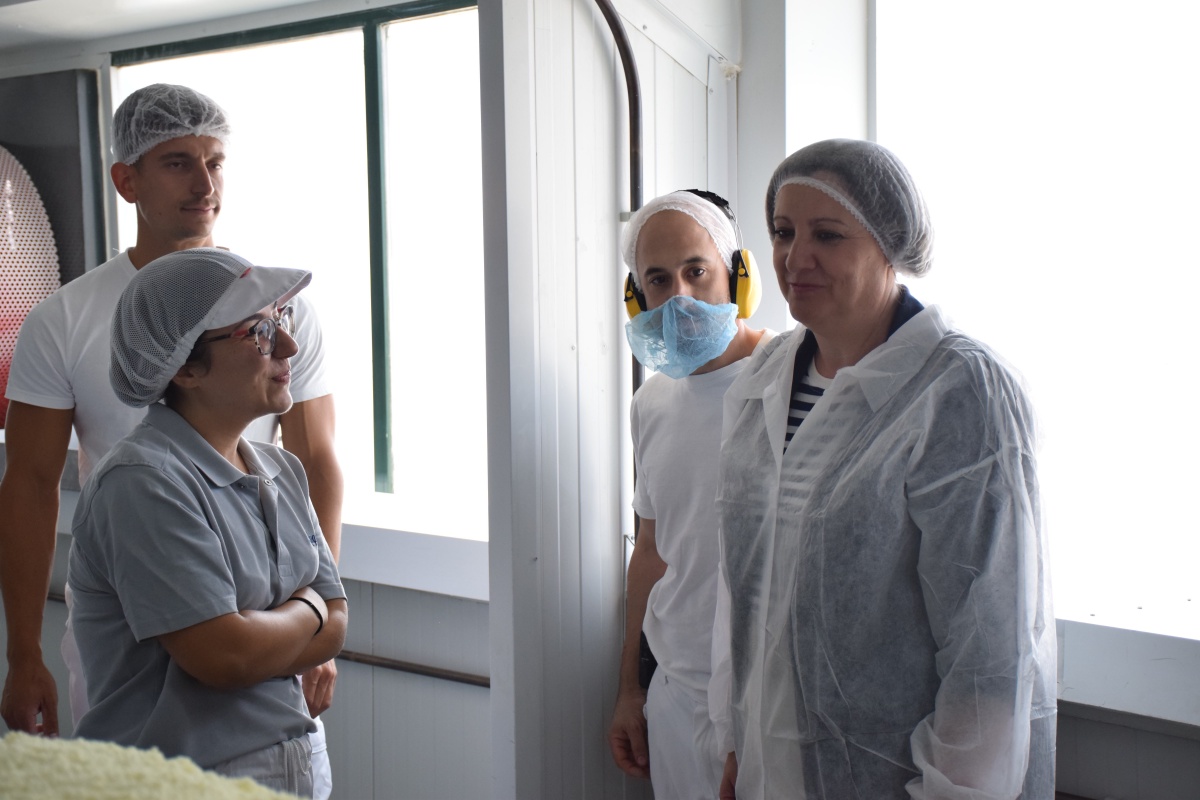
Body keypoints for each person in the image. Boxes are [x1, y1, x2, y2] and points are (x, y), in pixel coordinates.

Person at [0, 84, 343, 796]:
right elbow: (30, 485)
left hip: (260, 597)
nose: (205, 184)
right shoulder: (66, 321)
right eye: (178, 162)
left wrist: (314, 629)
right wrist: (23, 651)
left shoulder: (279, 317)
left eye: (215, 162)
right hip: (134, 607)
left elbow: (314, 458)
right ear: (126, 180)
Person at [714, 138, 1056, 798]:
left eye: (828, 235)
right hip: (766, 771)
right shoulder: (764, 376)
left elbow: (988, 649)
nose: (795, 257)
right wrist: (737, 742)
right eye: (783, 232)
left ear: (889, 246)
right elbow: (748, 593)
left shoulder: (959, 391)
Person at [68, 247, 347, 797]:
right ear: (185, 367)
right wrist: (310, 607)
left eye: (281, 319)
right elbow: (225, 656)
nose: (288, 346)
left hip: (294, 764)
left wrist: (286, 623)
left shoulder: (280, 469)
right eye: (258, 332)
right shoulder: (144, 482)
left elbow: (338, 627)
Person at [608, 190, 769, 798]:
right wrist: (630, 690)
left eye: (696, 270)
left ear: (738, 276)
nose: (679, 296)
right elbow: (650, 552)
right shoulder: (650, 403)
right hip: (675, 698)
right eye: (658, 279)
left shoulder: (790, 377)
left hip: (769, 708)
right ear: (637, 298)